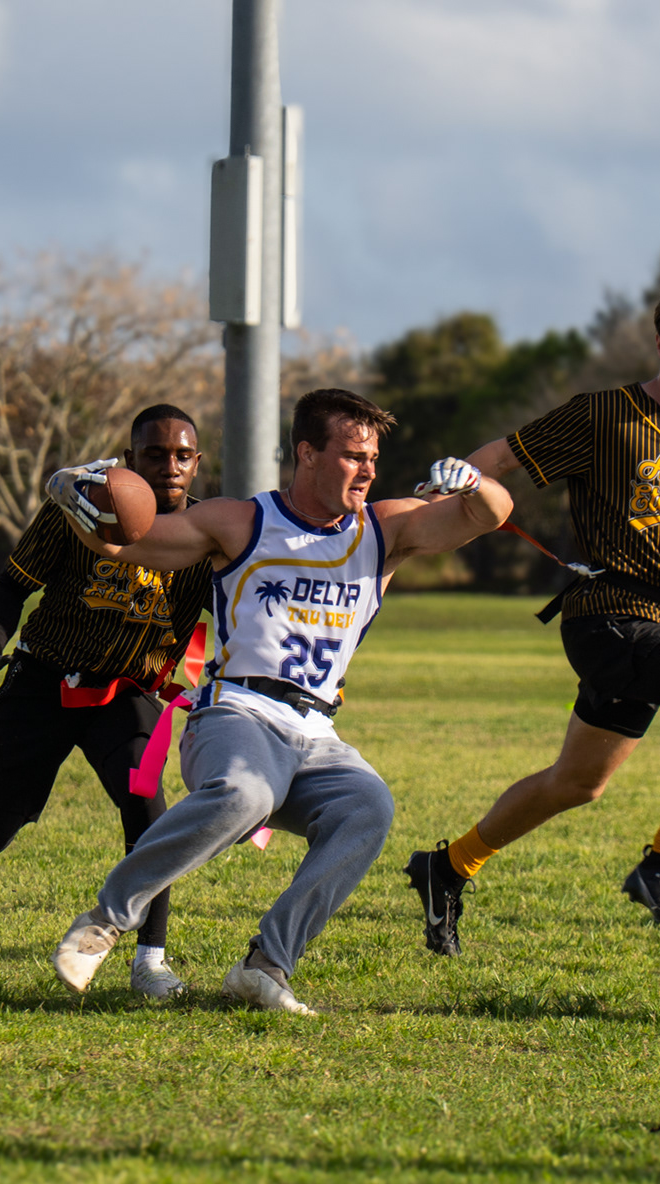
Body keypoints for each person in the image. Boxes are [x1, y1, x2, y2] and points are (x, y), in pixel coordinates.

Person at [45, 388, 512, 1014]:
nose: (369, 469)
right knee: (246, 794)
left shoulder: (385, 527)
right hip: (236, 711)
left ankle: (265, 966)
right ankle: (106, 919)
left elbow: (491, 515)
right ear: (307, 454)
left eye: (373, 455)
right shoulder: (242, 521)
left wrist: (475, 483)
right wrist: (70, 490)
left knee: (369, 806)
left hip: (317, 730)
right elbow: (127, 542)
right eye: (352, 455)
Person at [405, 270, 660, 956]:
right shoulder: (605, 413)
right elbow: (500, 457)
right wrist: (443, 488)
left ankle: (447, 867)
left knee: (578, 784)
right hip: (604, 614)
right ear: (658, 344)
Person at [0, 404, 210, 1000]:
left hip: (127, 690)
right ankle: (27, 793)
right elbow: (13, 584)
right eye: (154, 454)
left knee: (150, 810)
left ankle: (151, 959)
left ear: (197, 464)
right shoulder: (82, 508)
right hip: (42, 678)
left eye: (181, 455)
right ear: (128, 460)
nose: (168, 465)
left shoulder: (209, 532)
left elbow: (247, 604)